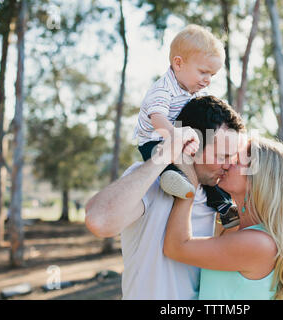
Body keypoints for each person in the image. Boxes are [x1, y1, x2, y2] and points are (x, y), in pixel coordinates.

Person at [85, 96, 246, 299]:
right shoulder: (150, 181)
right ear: (191, 144)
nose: (227, 165)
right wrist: (164, 155)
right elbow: (99, 221)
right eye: (222, 156)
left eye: (232, 157)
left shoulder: (222, 203)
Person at [163, 137, 283, 300]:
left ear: (257, 178)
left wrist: (189, 184)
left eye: (237, 160)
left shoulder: (258, 244)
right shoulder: (236, 226)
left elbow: (176, 247)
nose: (227, 164)